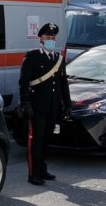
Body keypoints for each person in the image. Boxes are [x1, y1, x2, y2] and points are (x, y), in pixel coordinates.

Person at [18, 23, 72, 186]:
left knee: (47, 139)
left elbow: (63, 83)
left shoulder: (58, 58)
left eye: (53, 38)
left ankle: (43, 169)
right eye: (47, 37)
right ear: (40, 39)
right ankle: (33, 173)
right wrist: (25, 102)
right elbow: (24, 81)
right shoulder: (32, 56)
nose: (51, 40)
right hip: (37, 107)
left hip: (53, 106)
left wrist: (67, 103)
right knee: (36, 139)